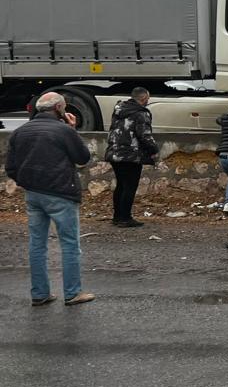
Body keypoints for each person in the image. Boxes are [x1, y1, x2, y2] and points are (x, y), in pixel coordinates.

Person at [5, 92, 95, 306]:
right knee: (70, 244)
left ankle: (40, 293)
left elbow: (11, 167)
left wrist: (26, 181)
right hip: (60, 193)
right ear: (59, 109)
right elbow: (82, 157)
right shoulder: (64, 131)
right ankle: (72, 292)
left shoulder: (20, 132)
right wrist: (73, 130)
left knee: (37, 244)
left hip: (33, 194)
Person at [104, 87, 159, 228]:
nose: (148, 101)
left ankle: (117, 217)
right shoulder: (141, 114)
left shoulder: (119, 110)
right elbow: (144, 135)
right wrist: (154, 150)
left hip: (114, 153)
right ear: (143, 99)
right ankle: (125, 218)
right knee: (130, 186)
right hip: (131, 155)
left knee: (121, 185)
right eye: (147, 99)